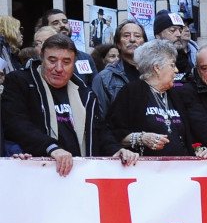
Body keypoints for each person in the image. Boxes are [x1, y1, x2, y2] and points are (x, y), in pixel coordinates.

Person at [1, 34, 137, 176]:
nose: (59, 68)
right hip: (37, 174)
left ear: (74, 63)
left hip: (80, 176)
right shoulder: (19, 81)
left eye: (66, 62)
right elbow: (15, 123)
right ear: (41, 58)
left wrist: (116, 150)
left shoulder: (85, 92)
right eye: (52, 60)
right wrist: (51, 147)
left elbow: (100, 131)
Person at [107, 39, 207, 174]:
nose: (176, 70)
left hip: (180, 175)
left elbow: (191, 133)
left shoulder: (175, 94)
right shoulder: (132, 92)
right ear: (157, 68)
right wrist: (141, 138)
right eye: (172, 65)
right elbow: (111, 132)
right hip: (146, 174)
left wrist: (199, 149)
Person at [91, 20, 147, 117]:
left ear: (144, 43)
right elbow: (101, 120)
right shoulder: (104, 78)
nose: (132, 39)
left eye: (137, 36)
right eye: (126, 36)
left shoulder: (155, 72)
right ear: (118, 44)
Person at [39, 9, 98, 86]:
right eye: (55, 23)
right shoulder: (39, 55)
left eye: (65, 21)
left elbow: (94, 86)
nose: (62, 25)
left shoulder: (85, 58)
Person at [152, 10, 192, 81]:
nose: (179, 35)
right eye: (172, 30)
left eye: (180, 30)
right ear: (158, 36)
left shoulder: (186, 60)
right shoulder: (149, 63)